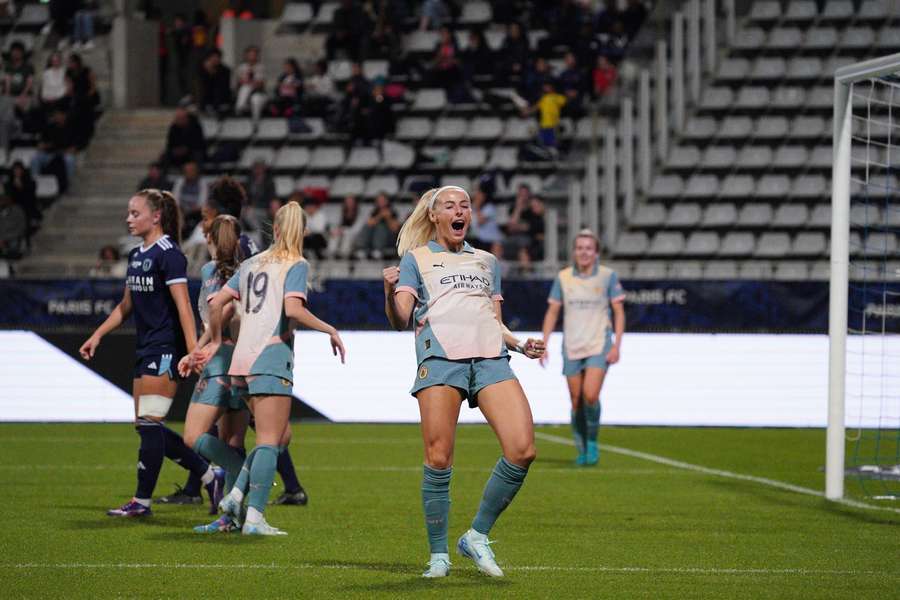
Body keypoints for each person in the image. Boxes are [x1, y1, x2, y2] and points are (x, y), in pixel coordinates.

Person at [382, 186, 545, 578]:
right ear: (434, 216)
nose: (460, 211)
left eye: (466, 205)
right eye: (450, 206)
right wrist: (389, 290)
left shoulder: (487, 261)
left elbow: (494, 319)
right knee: (439, 457)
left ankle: (476, 535)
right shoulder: (415, 259)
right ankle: (438, 555)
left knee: (522, 449)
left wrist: (520, 344)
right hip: (440, 360)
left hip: (491, 358)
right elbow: (400, 318)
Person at [192, 201, 345, 535]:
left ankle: (235, 497)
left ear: (275, 229)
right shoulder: (296, 263)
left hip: (242, 359)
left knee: (279, 437)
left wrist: (216, 341)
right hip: (271, 357)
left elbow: (217, 302)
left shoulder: (251, 263)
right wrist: (329, 329)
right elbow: (293, 308)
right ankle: (255, 517)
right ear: (302, 231)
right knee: (269, 439)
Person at [79, 189, 220, 517]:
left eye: (135, 213)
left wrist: (192, 351)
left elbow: (184, 306)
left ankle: (142, 502)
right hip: (146, 349)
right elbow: (126, 306)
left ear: (156, 216)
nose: (129, 219)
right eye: (129, 213)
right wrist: (97, 335)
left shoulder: (169, 253)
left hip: (166, 349)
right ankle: (210, 476)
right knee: (146, 426)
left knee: (150, 422)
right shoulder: (136, 255)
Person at [177, 214, 250, 532]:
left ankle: (240, 469)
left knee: (193, 436)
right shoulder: (250, 272)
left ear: (210, 239)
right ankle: (231, 519)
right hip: (245, 362)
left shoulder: (208, 272)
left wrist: (202, 348)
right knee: (232, 439)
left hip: (220, 361)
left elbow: (216, 315)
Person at [539, 230, 626, 465]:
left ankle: (593, 442)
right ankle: (582, 448)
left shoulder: (608, 276)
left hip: (599, 344)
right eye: (579, 248)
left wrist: (617, 344)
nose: (584, 252)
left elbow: (618, 311)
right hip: (572, 345)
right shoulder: (564, 277)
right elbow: (553, 311)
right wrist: (544, 343)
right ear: (574, 252)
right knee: (576, 399)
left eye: (588, 248)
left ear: (596, 252)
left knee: (590, 395)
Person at [354, 192, 400, 258]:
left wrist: (388, 218)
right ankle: (361, 248)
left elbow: (395, 229)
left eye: (383, 200)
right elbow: (369, 224)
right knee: (367, 227)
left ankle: (377, 250)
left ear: (387, 201)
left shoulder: (393, 212)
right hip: (373, 237)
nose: (380, 202)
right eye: (379, 200)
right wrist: (380, 216)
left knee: (381, 227)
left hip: (389, 239)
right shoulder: (374, 211)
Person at [234, 45, 267, 122]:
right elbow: (240, 82)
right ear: (246, 55)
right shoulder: (241, 67)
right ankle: (240, 108)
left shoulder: (261, 67)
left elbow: (260, 84)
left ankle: (255, 122)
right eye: (250, 54)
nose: (252, 56)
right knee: (245, 88)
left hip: (258, 93)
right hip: (244, 91)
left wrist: (250, 81)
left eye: (255, 54)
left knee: (255, 100)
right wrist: (248, 81)